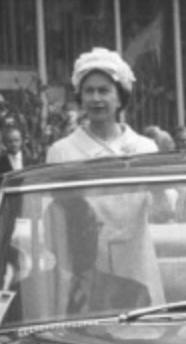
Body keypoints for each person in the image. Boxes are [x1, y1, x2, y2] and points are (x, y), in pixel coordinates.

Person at [43, 49, 165, 309]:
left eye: (104, 90)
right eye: (89, 91)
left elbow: (162, 210)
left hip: (136, 259)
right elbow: (55, 216)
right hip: (86, 267)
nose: (96, 98)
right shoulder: (62, 151)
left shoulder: (145, 148)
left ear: (120, 97)